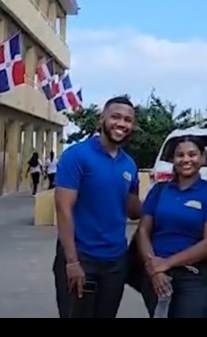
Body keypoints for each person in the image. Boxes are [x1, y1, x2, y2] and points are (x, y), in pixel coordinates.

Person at [53, 96, 142, 318]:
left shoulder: (128, 164)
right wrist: (72, 261)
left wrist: (167, 198)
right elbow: (63, 209)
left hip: (115, 261)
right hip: (82, 257)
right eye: (116, 117)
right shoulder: (77, 156)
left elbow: (133, 210)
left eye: (128, 120)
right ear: (101, 119)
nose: (122, 124)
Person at [134, 135, 207, 318]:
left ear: (202, 157)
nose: (186, 160)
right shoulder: (159, 190)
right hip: (158, 277)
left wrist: (166, 263)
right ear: (173, 159)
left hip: (195, 279)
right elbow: (143, 231)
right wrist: (154, 269)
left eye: (192, 154)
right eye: (180, 155)